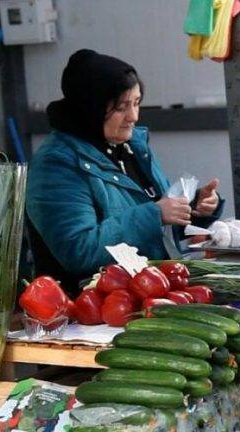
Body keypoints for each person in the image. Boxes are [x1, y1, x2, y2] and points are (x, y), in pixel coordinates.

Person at [26, 49, 224, 293]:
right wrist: (155, 214)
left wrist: (192, 210)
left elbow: (156, 217)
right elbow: (79, 251)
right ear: (91, 107)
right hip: (90, 309)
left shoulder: (131, 147)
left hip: (149, 292)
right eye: (121, 107)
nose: (133, 116)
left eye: (137, 103)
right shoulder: (56, 165)